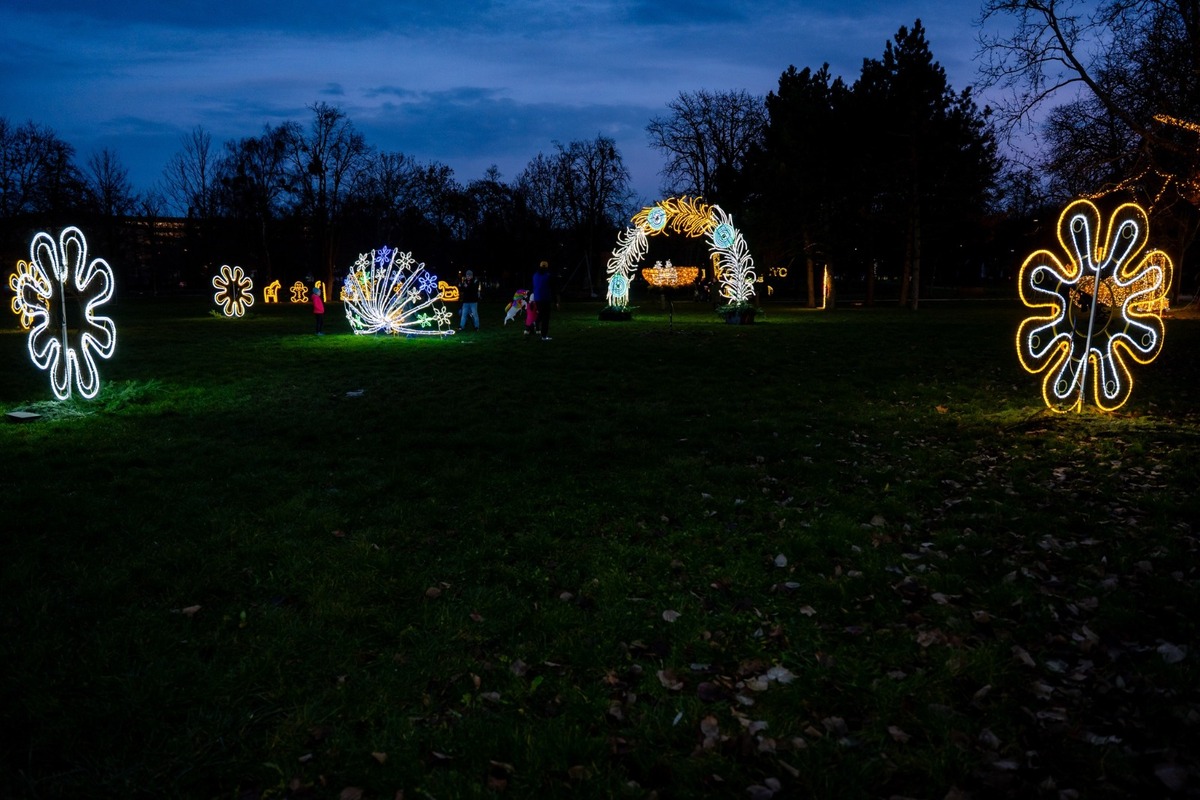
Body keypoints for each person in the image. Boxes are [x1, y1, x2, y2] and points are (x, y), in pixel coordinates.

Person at [531, 260, 555, 340]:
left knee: (541, 313)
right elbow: (552, 287)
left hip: (537, 298)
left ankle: (535, 322)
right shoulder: (548, 276)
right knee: (546, 317)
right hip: (546, 298)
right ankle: (544, 335)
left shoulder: (535, 275)